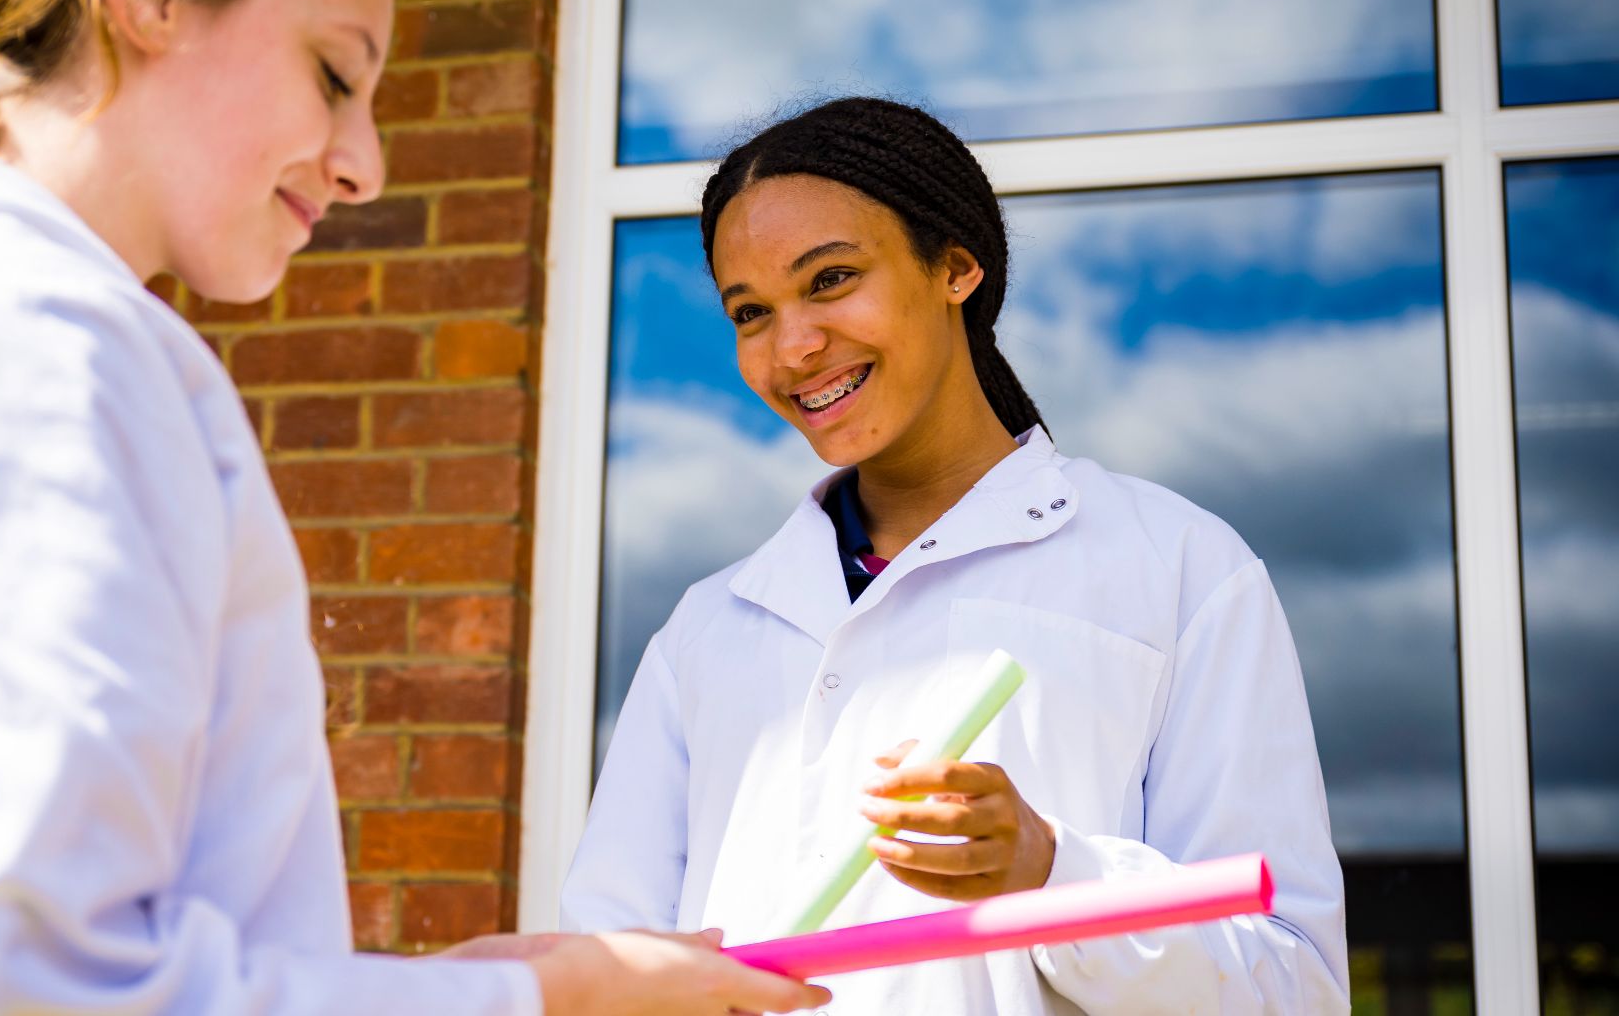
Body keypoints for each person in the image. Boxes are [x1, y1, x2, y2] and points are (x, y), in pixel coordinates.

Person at [0, 0, 831, 1013]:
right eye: (336, 73)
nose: (364, 163)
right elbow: (48, 987)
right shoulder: (34, 346)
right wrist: (540, 999)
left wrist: (467, 982)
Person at [561, 97, 1352, 1014]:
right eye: (751, 312)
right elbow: (605, 961)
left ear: (957, 266)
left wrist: (1054, 876)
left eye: (830, 280)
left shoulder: (1181, 573)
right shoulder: (709, 630)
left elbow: (1291, 986)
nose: (795, 346)